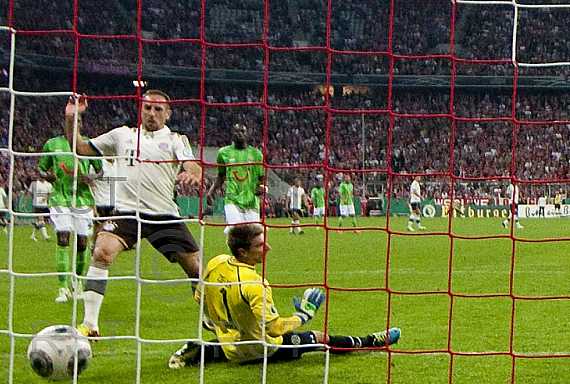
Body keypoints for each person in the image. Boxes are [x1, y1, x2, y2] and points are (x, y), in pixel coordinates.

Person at [64, 90, 203, 337]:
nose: (151, 113)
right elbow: (81, 148)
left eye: (158, 109)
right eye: (147, 108)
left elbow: (191, 163)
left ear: (168, 114)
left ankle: (211, 319)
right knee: (101, 252)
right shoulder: (121, 135)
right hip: (127, 213)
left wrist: (193, 172)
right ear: (141, 110)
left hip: (164, 216)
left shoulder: (176, 140)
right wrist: (72, 118)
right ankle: (90, 324)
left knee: (196, 270)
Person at [168, 223, 400, 367]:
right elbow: (274, 329)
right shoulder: (255, 284)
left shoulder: (216, 262)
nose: (267, 248)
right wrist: (304, 315)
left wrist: (213, 321)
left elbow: (200, 297)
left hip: (229, 345)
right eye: (260, 245)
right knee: (318, 338)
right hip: (261, 349)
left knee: (237, 336)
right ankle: (369, 342)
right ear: (243, 251)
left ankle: (201, 350)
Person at [38, 119, 102, 304]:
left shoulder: (89, 145)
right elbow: (41, 169)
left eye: (79, 121)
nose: (75, 123)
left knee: (82, 243)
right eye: (71, 121)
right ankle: (62, 287)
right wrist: (48, 176)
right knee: (63, 238)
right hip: (60, 198)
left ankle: (78, 282)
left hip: (82, 199)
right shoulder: (52, 144)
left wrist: (90, 177)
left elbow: (100, 170)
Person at [207, 123, 265, 234]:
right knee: (236, 231)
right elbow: (220, 176)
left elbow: (261, 178)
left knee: (252, 235)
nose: (239, 134)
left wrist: (260, 188)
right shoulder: (223, 153)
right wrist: (212, 191)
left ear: (247, 135)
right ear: (232, 134)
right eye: (236, 131)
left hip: (251, 201)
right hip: (231, 198)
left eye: (242, 131)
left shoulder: (257, 154)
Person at [28, 175, 52, 241]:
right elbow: (29, 193)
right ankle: (45, 236)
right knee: (41, 219)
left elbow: (49, 193)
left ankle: (33, 236)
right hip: (37, 204)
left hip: (44, 205)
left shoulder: (48, 185)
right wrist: (25, 202)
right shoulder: (34, 184)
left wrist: (46, 198)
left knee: (39, 222)